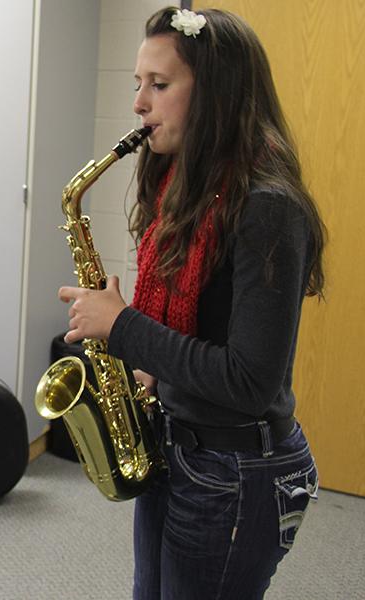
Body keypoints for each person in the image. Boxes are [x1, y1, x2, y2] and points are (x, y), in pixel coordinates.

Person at [59, 8, 325, 599]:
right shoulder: (187, 186)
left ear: (218, 94)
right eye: (136, 84)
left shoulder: (268, 207)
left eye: (160, 85)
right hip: (179, 447)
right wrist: (149, 361)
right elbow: (202, 327)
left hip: (236, 473)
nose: (139, 104)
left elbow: (249, 381)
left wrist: (123, 327)